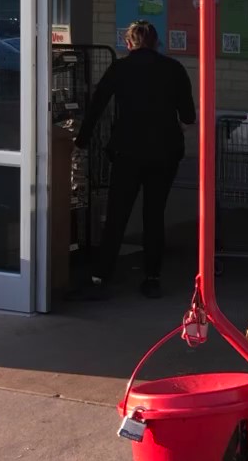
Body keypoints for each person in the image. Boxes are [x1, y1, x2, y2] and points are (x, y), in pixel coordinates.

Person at [76, 21, 195, 299]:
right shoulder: (174, 69)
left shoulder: (120, 68)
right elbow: (188, 115)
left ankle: (101, 275)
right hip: (164, 153)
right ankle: (152, 277)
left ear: (129, 43)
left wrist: (82, 139)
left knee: (117, 214)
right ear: (156, 43)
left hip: (127, 151)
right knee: (154, 215)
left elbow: (97, 104)